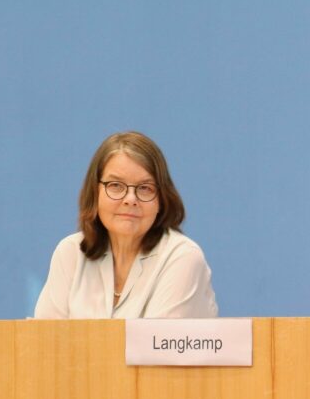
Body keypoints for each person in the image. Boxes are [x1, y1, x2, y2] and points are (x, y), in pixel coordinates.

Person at [34, 132, 218, 318]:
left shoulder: (182, 257)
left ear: (161, 199)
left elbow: (154, 344)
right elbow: (45, 341)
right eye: (116, 185)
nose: (131, 199)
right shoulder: (71, 253)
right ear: (95, 192)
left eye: (145, 188)